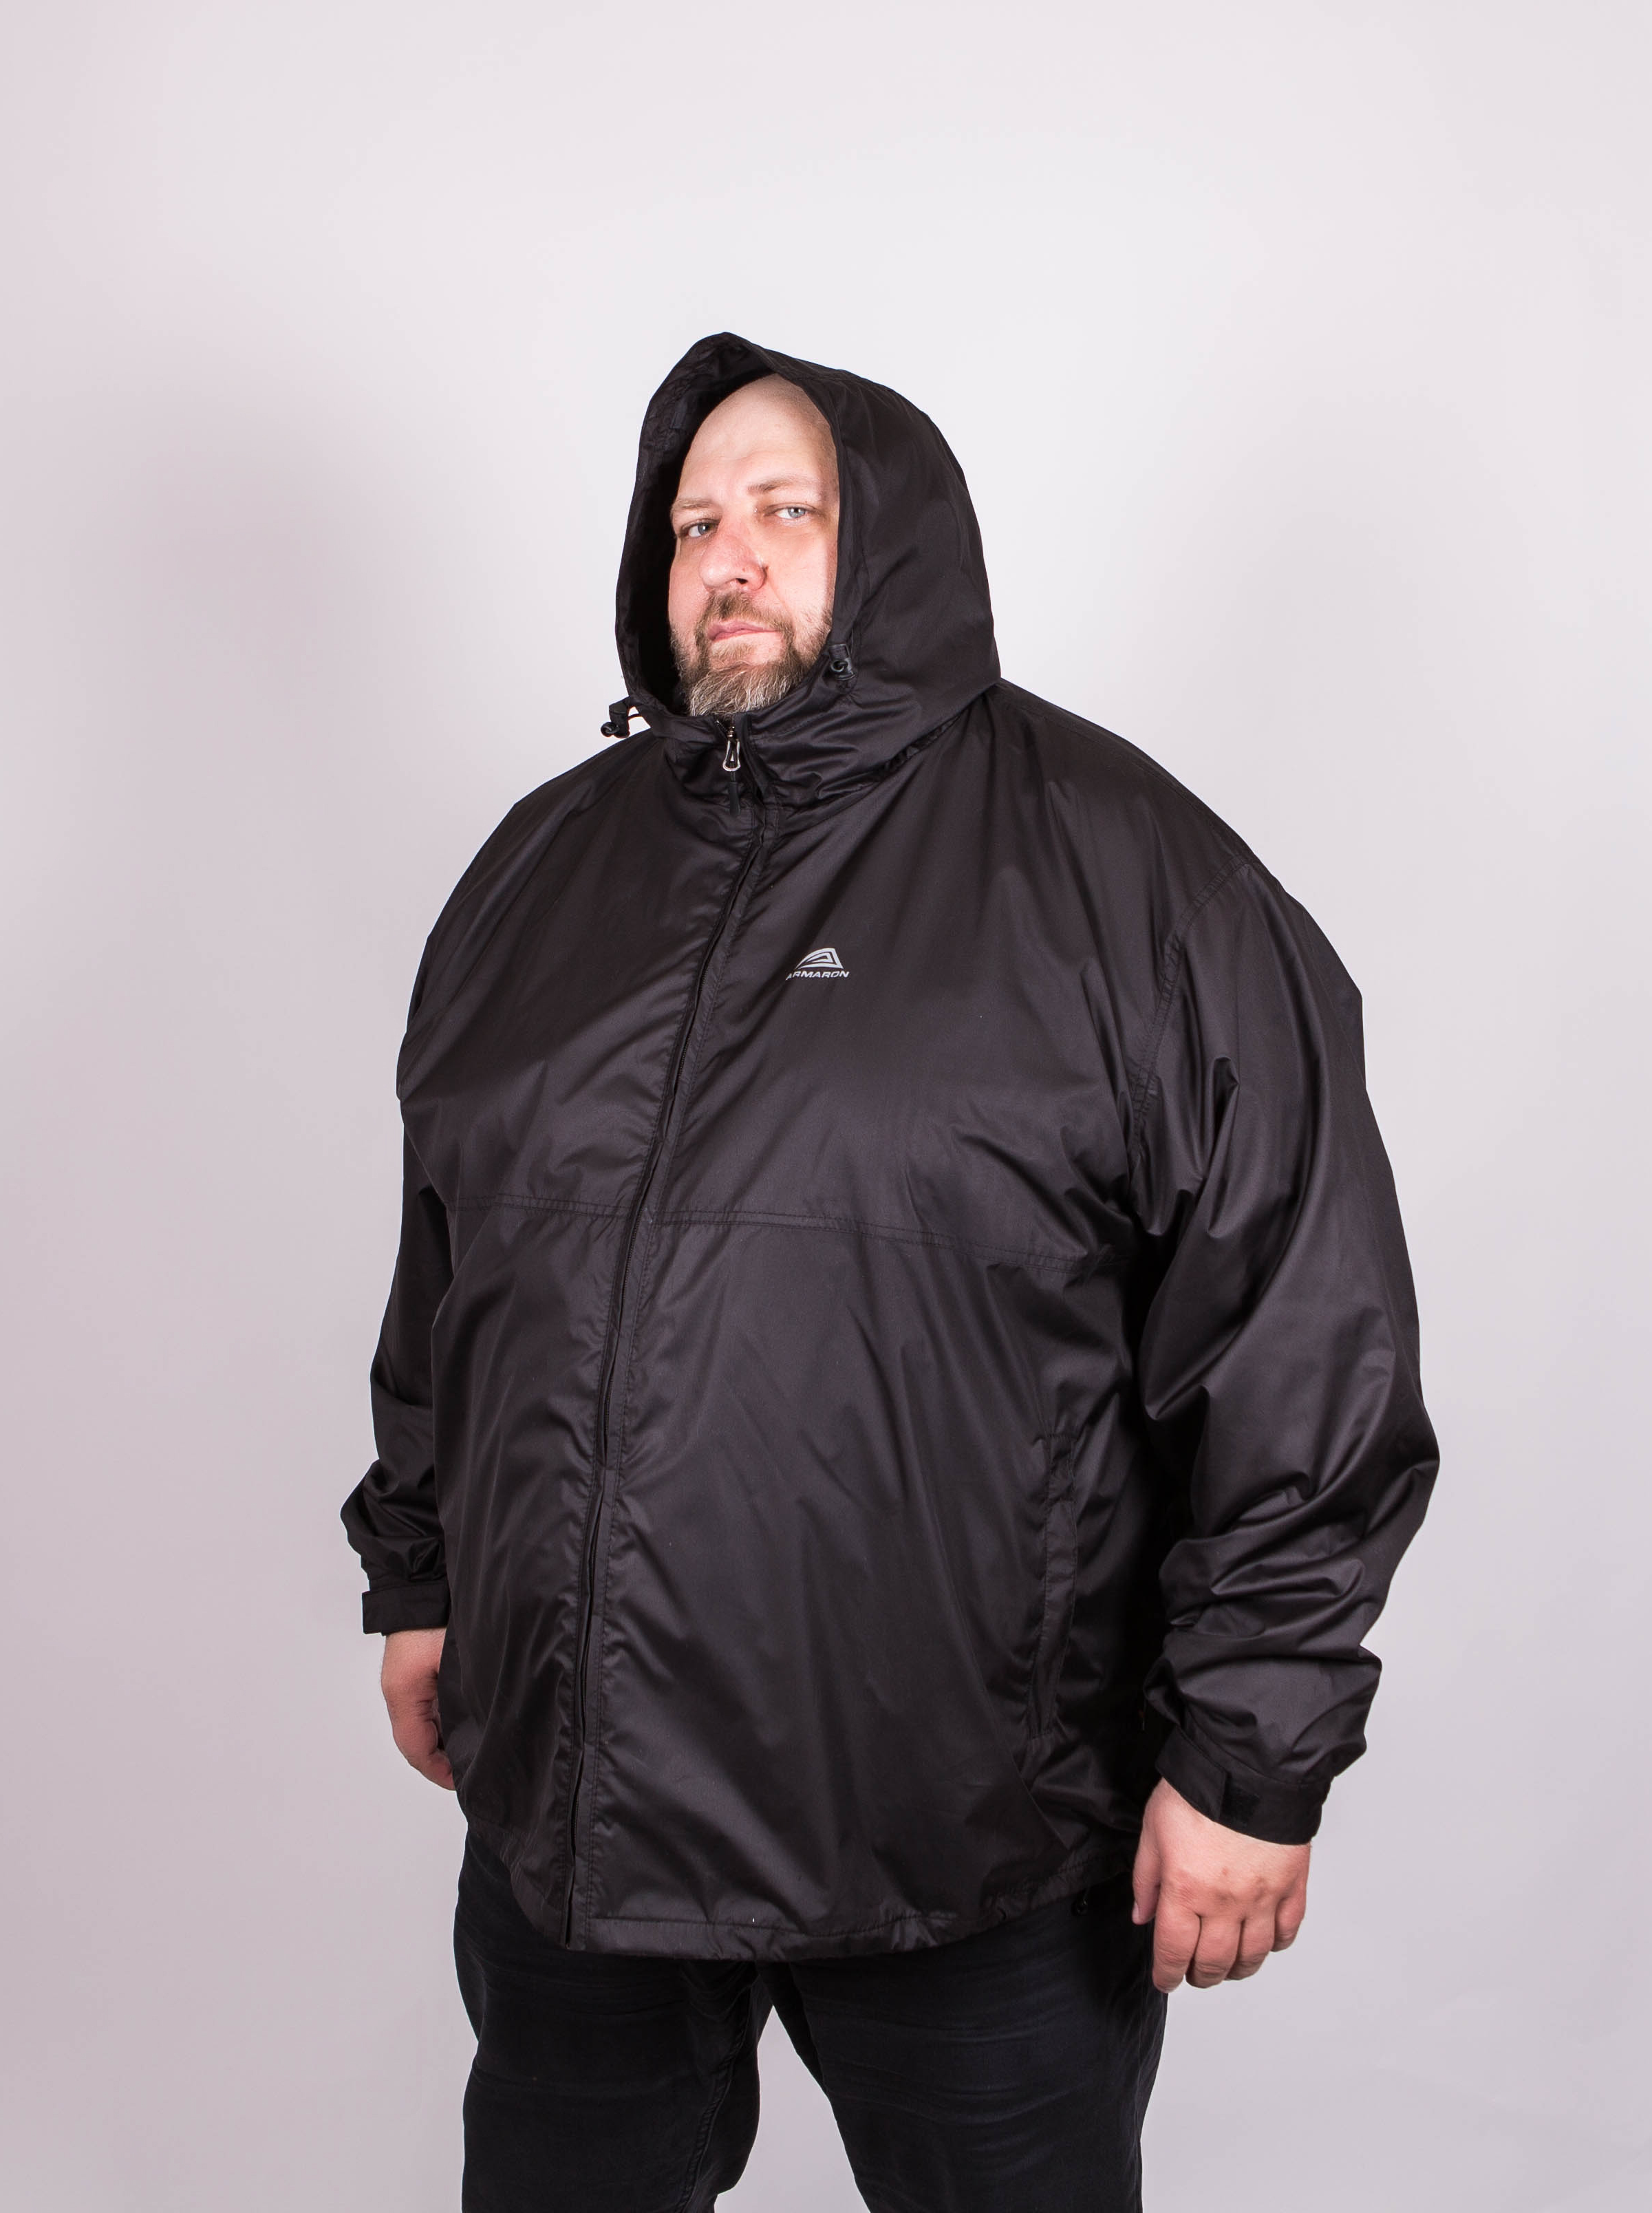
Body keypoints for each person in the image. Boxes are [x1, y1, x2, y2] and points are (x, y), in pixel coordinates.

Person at [343, 333, 1438, 2212]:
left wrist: (1253, 1757)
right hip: (574, 1813)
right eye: (696, 521)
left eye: (787, 509)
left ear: (898, 544)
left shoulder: (1123, 872)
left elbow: (1299, 1326)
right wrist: (425, 1570)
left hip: (967, 1835)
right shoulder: (541, 869)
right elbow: (453, 1265)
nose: (730, 557)